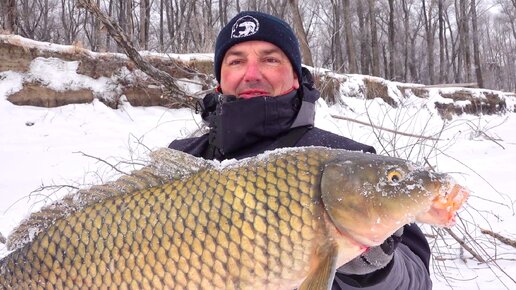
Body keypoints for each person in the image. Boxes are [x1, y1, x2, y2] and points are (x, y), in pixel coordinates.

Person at [169, 11, 432, 289]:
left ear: (295, 75)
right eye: (236, 61)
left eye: (270, 59)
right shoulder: (183, 159)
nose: (252, 74)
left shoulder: (348, 165)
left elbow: (417, 280)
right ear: (220, 79)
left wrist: (375, 272)